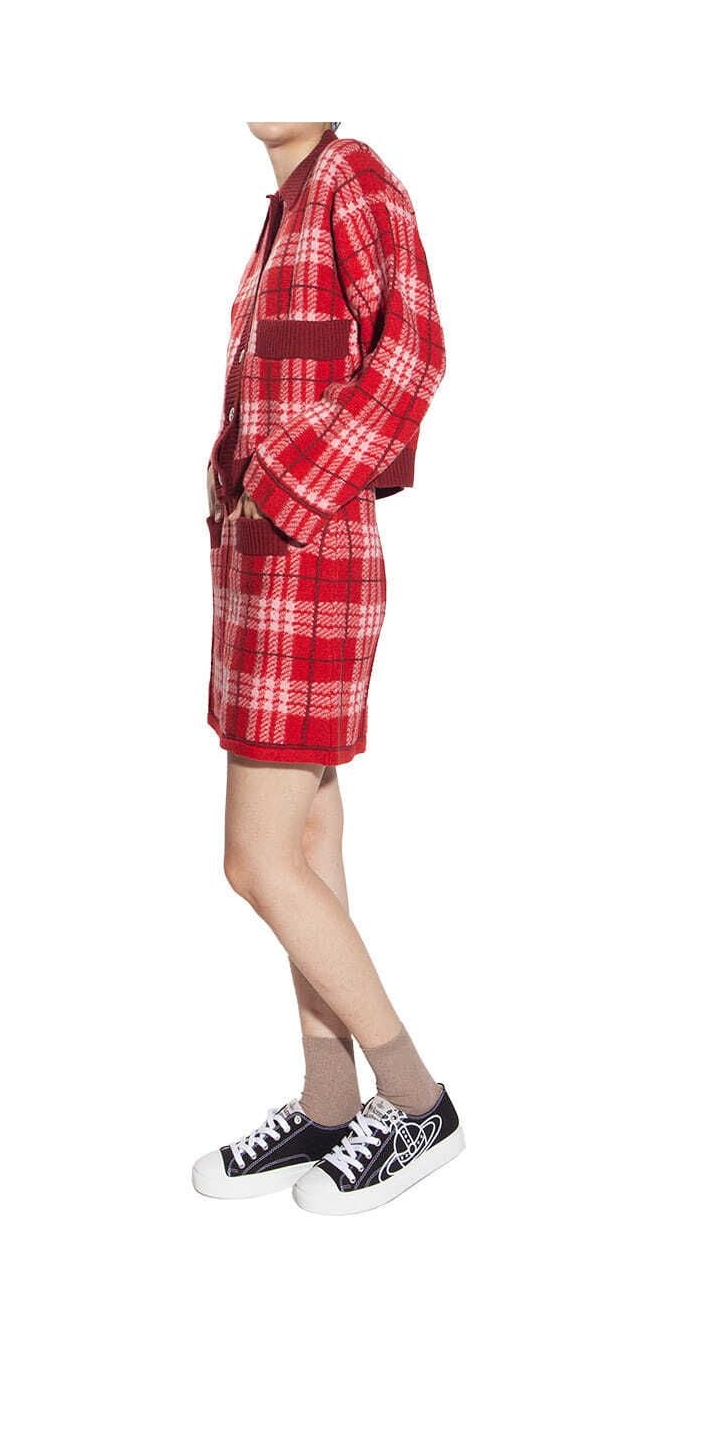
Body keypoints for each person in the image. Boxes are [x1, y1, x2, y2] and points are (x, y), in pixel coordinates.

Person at [195, 121, 461, 1214]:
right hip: (263, 567)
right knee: (303, 846)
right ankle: (328, 1103)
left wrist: (279, 481)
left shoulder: (352, 176)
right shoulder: (282, 209)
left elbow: (414, 355)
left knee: (254, 861)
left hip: (309, 560)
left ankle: (416, 1099)